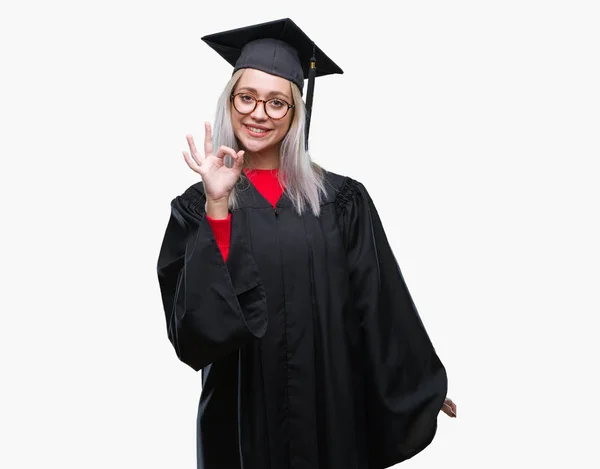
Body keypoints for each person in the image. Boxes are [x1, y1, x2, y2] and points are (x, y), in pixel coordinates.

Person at [157, 18, 456, 469]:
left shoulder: (341, 200)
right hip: (239, 421)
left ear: (297, 112)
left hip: (330, 412)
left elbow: (376, 300)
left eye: (277, 103)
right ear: (230, 102)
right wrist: (218, 203)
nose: (259, 113)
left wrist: (417, 387)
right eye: (247, 98)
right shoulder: (198, 206)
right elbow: (194, 333)